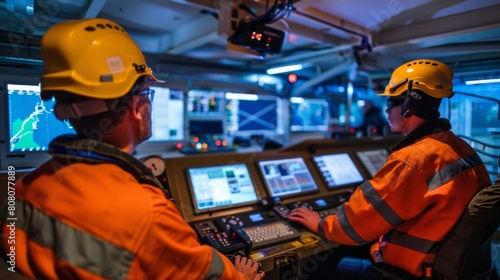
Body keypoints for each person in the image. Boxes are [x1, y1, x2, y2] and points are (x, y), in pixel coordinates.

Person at [0, 18, 264, 280]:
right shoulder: (148, 213)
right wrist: (240, 275)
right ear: (137, 106)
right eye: (148, 94)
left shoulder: (25, 186)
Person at [289, 58, 492, 279]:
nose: (386, 112)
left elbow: (353, 227)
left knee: (326, 264)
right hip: (449, 263)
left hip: (415, 270)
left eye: (390, 103)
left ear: (408, 106)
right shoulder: (458, 146)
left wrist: (319, 223)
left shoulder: (413, 159)